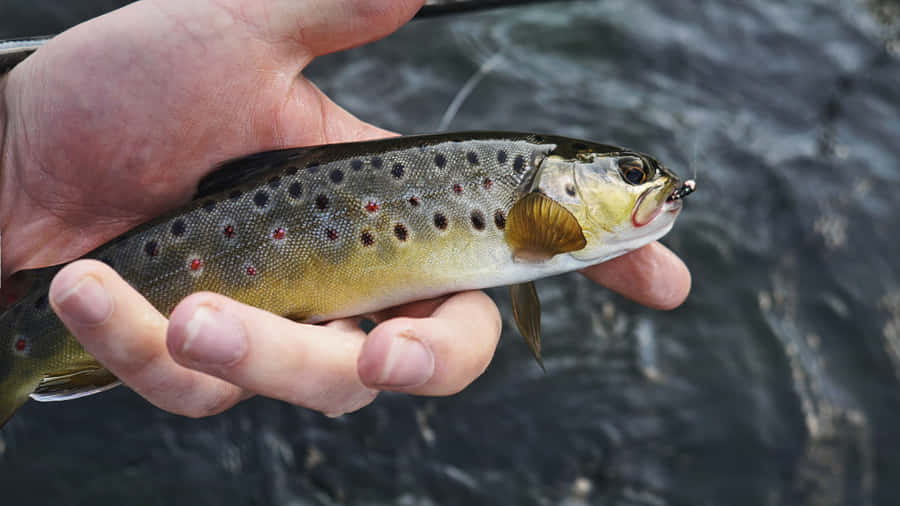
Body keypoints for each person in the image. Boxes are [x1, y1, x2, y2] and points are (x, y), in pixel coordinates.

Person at [0, 0, 691, 418]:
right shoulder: (540, 224)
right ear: (560, 187)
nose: (649, 185)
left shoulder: (545, 228)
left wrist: (16, 135)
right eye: (632, 174)